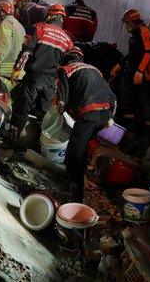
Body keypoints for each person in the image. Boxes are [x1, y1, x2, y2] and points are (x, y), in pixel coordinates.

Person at [56, 46, 114, 201]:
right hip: (105, 113)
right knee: (86, 145)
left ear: (66, 57)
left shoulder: (65, 69)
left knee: (74, 151)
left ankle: (73, 188)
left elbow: (62, 101)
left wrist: (58, 114)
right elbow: (112, 96)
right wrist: (110, 116)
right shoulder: (95, 69)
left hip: (89, 114)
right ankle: (86, 173)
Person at [9, 4, 73, 139]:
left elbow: (27, 51)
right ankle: (36, 143)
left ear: (50, 15)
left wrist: (16, 69)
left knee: (22, 108)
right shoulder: (68, 39)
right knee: (43, 116)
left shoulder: (41, 28)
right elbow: (67, 66)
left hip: (34, 77)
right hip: (51, 82)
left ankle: (13, 138)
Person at [115, 9, 150, 143]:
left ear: (133, 22)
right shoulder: (135, 36)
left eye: (127, 23)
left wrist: (140, 71)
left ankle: (149, 139)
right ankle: (131, 134)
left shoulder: (145, 33)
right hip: (136, 76)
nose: (125, 26)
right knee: (129, 104)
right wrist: (120, 64)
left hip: (147, 78)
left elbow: (148, 53)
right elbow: (132, 55)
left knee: (147, 106)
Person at [0, 1, 25, 91]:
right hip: (18, 73)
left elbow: (5, 46)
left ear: (1, 11)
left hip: (6, 73)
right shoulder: (19, 25)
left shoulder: (6, 24)